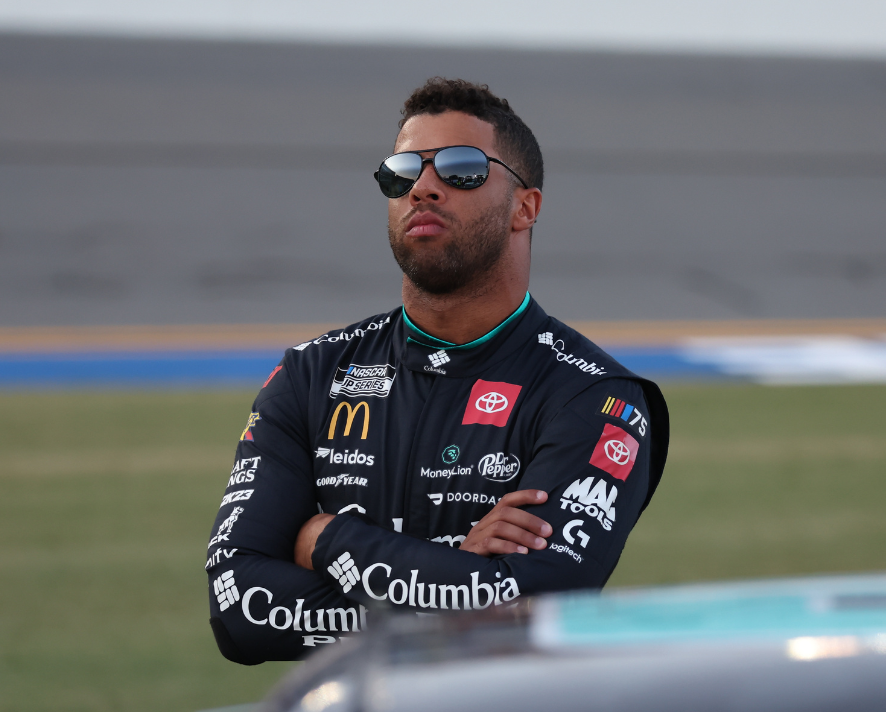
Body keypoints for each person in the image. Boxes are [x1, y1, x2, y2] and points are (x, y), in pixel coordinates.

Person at [205, 78, 669, 664]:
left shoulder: (596, 398)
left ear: (524, 207)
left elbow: (537, 608)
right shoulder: (311, 373)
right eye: (402, 171)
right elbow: (239, 611)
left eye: (460, 168)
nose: (423, 187)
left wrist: (324, 540)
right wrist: (457, 578)